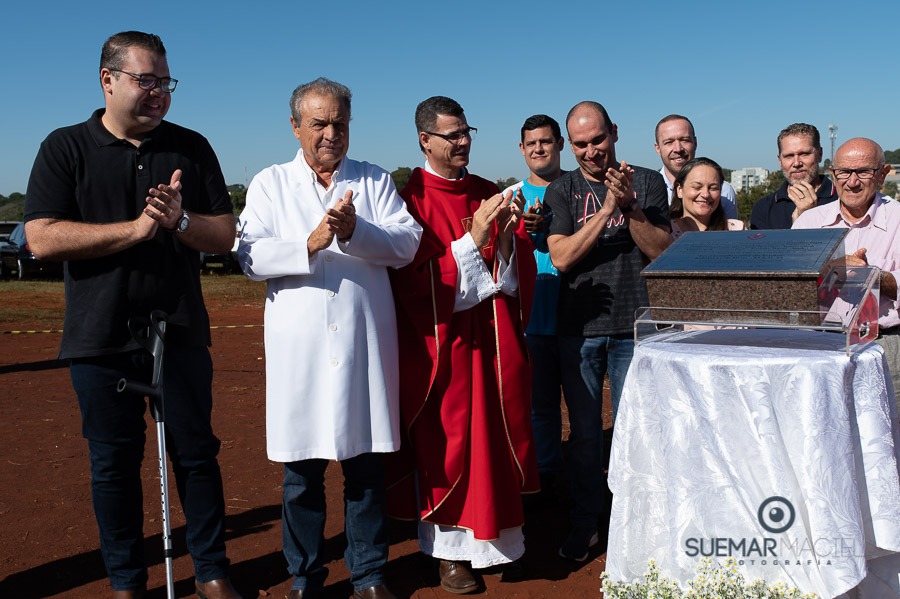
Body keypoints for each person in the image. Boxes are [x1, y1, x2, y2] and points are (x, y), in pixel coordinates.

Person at [23, 31, 241, 599]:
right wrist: (136, 230)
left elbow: (225, 233)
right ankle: (125, 580)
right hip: (99, 334)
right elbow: (42, 238)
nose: (159, 93)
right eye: (146, 81)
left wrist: (180, 223)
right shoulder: (65, 147)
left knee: (196, 454)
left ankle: (213, 570)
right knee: (113, 465)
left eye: (165, 82)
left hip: (180, 328)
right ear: (109, 80)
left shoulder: (190, 147)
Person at [236, 78, 421, 599]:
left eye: (340, 122)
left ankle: (369, 575)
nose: (330, 133)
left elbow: (407, 243)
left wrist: (354, 232)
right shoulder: (270, 183)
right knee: (302, 475)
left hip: (362, 344)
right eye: (319, 123)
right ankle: (305, 577)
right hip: (303, 352)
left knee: (365, 469)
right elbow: (249, 257)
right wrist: (312, 241)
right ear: (296, 126)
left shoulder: (374, 179)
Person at [387, 96, 538, 594]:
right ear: (424, 140)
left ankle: (500, 541)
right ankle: (451, 554)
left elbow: (514, 272)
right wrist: (472, 238)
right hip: (444, 345)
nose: (464, 142)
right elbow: (414, 284)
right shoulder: (409, 201)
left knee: (496, 438)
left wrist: (511, 237)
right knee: (449, 445)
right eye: (452, 135)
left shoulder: (486, 189)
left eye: (467, 131)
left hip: (494, 339)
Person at [544, 100, 670, 562]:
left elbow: (660, 250)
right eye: (580, 144)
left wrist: (631, 206)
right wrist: (605, 211)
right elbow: (560, 258)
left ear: (614, 133)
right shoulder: (563, 190)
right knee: (583, 435)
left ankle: (631, 520)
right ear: (569, 144)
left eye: (598, 140)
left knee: (635, 432)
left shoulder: (649, 182)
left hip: (635, 326)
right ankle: (585, 522)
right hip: (579, 330)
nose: (591, 151)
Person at [792, 137, 899, 409]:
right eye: (844, 172)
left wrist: (877, 276)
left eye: (863, 172)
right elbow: (788, 291)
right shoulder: (809, 222)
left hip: (886, 346)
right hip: (820, 345)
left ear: (882, 174)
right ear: (832, 174)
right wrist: (828, 271)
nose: (852, 182)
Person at [504, 114, 566, 504]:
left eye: (546, 141)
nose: (539, 149)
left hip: (578, 313)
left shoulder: (579, 188)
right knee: (540, 406)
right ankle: (547, 477)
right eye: (532, 143)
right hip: (534, 316)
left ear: (559, 144)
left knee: (585, 407)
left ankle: (585, 473)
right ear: (522, 149)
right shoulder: (512, 195)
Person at [751, 123, 839, 229]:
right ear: (780, 160)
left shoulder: (842, 200)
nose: (797, 163)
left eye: (804, 154)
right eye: (789, 156)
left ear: (819, 155)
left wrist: (810, 215)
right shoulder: (763, 208)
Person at [654, 114, 738, 219]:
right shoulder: (646, 191)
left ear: (695, 143)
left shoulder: (724, 191)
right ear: (657, 148)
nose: (678, 149)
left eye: (684, 140)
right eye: (669, 142)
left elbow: (729, 234)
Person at [669, 157, 744, 241]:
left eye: (713, 188)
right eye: (697, 187)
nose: (706, 194)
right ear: (679, 190)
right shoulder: (665, 232)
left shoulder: (736, 231)